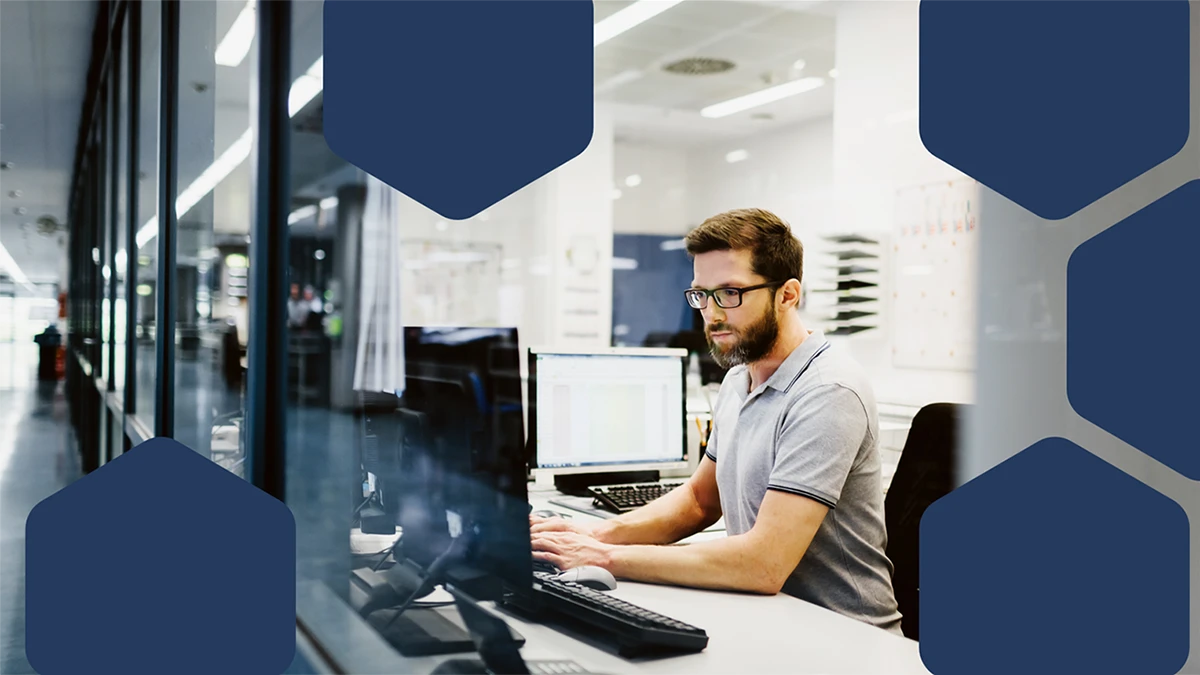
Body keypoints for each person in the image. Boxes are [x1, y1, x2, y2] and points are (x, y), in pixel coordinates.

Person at [531, 208, 902, 634]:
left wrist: (601, 557)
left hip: (847, 637)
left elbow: (764, 564)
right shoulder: (738, 380)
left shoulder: (826, 390)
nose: (711, 313)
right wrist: (597, 534)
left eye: (730, 292)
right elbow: (699, 501)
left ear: (788, 294)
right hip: (774, 619)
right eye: (701, 295)